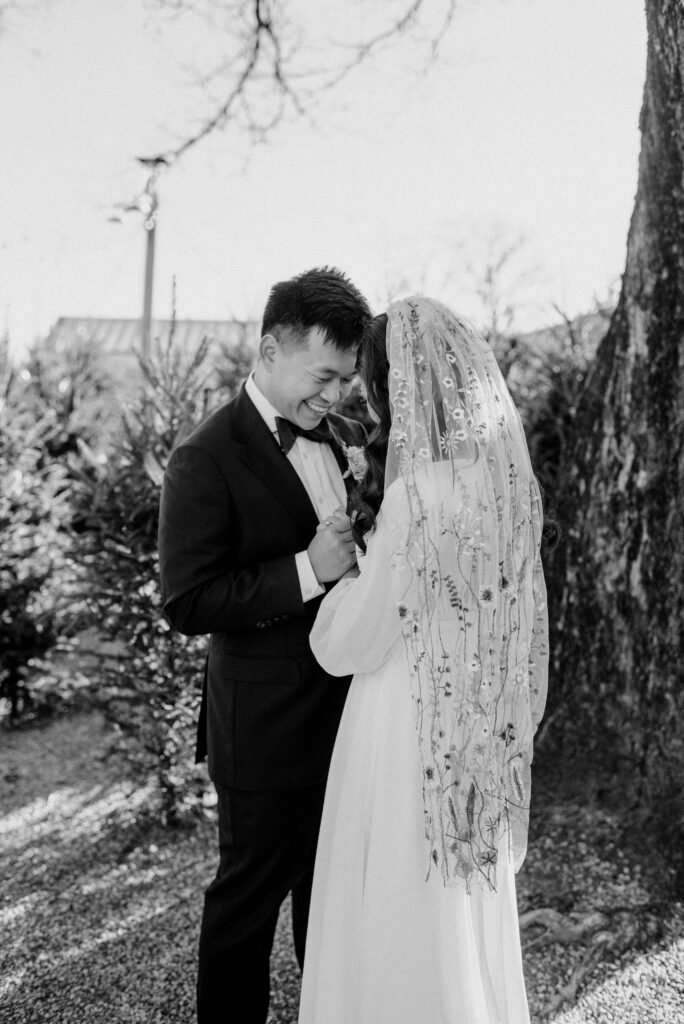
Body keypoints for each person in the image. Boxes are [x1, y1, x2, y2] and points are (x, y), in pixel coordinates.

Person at [298, 297, 549, 1024]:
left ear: (398, 387)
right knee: (458, 895)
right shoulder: (507, 489)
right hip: (475, 718)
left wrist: (340, 578)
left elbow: (356, 642)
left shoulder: (416, 495)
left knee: (395, 889)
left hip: (401, 722)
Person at [158, 266, 372, 1024]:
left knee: (333, 895)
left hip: (347, 713)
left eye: (346, 380)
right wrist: (305, 571)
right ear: (272, 348)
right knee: (248, 900)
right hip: (261, 722)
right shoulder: (204, 456)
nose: (336, 397)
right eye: (324, 376)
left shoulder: (345, 439)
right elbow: (186, 600)